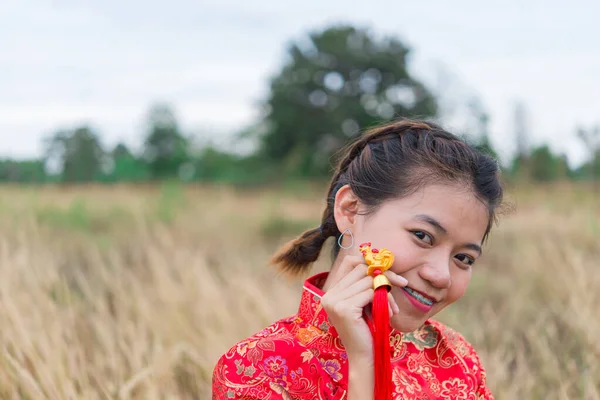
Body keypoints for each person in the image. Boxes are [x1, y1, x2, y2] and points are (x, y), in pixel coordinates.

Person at [212, 119, 503, 399]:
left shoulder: (454, 356)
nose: (442, 276)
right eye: (422, 236)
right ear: (350, 210)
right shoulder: (256, 369)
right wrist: (365, 364)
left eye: (463, 258)